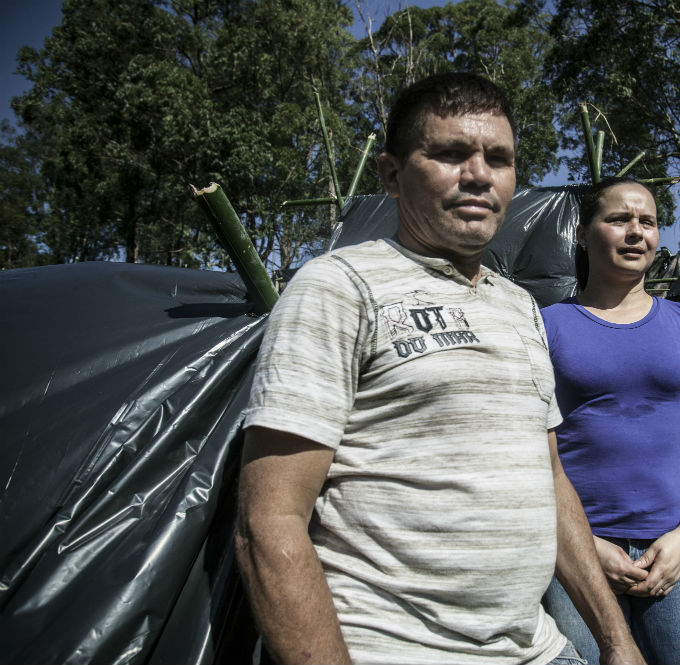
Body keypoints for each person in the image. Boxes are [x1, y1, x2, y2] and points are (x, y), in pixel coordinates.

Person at [234, 73, 645, 665]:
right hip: (393, 649)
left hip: (536, 649)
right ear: (391, 174)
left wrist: (616, 640)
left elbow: (551, 479)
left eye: (498, 159)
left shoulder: (519, 306)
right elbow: (269, 521)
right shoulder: (339, 287)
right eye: (450, 154)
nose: (478, 175)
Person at [540, 178, 680, 665]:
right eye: (618, 219)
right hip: (575, 555)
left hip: (675, 553)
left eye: (647, 222)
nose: (636, 232)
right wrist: (586, 547)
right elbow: (523, 450)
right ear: (583, 234)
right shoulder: (543, 325)